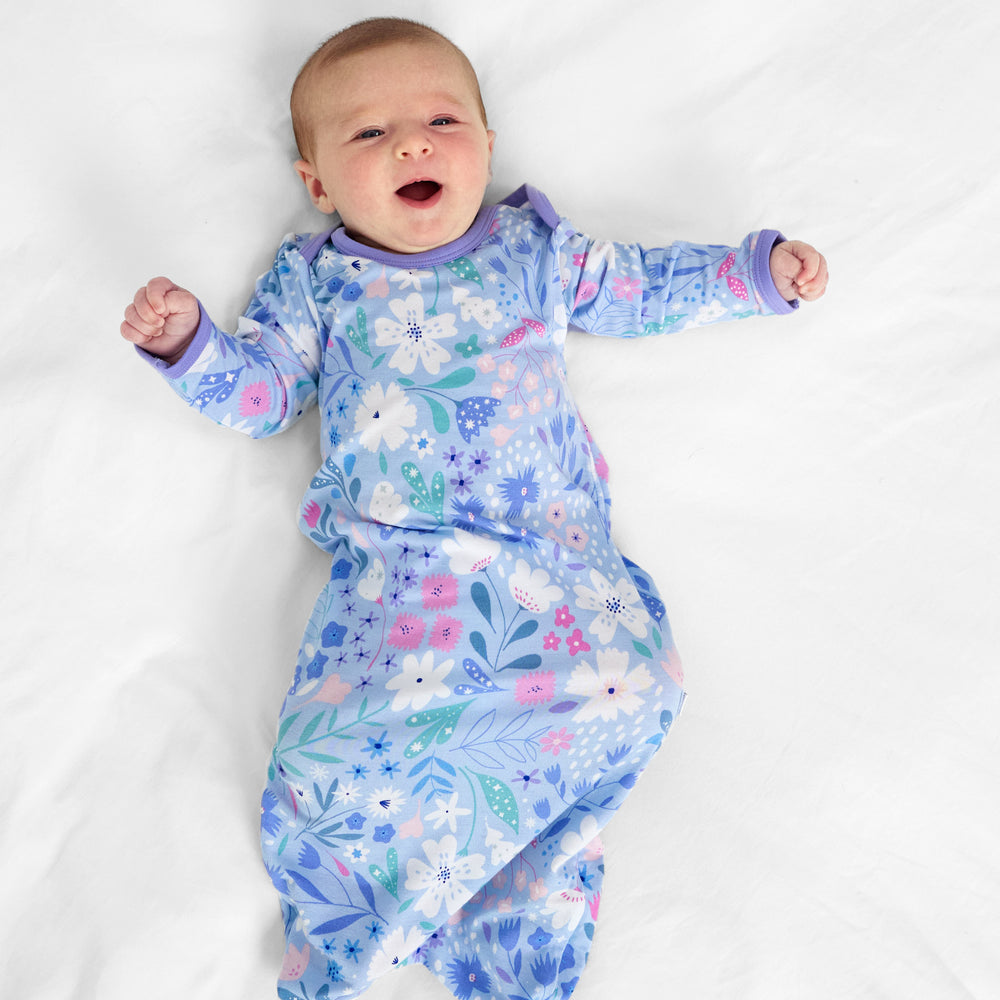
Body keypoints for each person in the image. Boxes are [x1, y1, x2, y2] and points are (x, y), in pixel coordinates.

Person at [120, 16, 828, 1000]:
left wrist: (751, 274)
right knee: (331, 760)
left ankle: (493, 882)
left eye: (441, 119)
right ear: (317, 183)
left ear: (485, 149)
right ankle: (363, 933)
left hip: (546, 567)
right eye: (368, 135)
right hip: (403, 582)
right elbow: (267, 395)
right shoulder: (319, 280)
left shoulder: (533, 247)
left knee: (635, 679)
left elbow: (636, 288)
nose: (412, 143)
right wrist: (191, 344)